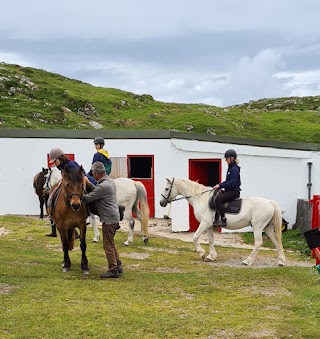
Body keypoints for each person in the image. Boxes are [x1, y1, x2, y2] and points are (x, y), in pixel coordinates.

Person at [83, 161, 122, 279]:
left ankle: (113, 270)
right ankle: (118, 265)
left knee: (107, 246)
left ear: (96, 173)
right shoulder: (109, 182)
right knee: (111, 243)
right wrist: (89, 183)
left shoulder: (104, 186)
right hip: (113, 218)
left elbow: (89, 198)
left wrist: (76, 193)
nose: (92, 175)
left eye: (93, 173)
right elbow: (97, 191)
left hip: (108, 220)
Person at [212, 149, 241, 227]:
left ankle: (223, 219)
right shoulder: (230, 168)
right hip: (229, 190)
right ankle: (215, 218)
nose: (226, 161)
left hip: (234, 191)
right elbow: (227, 181)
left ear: (232, 159)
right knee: (216, 195)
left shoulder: (234, 169)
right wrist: (219, 185)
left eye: (226, 159)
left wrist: (220, 186)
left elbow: (232, 184)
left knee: (219, 200)